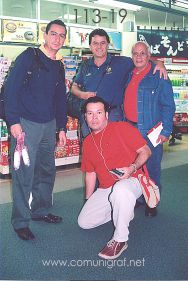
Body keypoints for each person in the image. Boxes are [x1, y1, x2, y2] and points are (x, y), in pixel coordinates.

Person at [4, 19, 67, 240]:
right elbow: (9, 90)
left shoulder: (59, 65)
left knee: (46, 170)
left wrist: (61, 127)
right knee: (24, 174)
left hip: (49, 125)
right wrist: (13, 121)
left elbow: (60, 98)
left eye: (61, 35)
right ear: (45, 35)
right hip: (26, 125)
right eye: (53, 34)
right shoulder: (29, 56)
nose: (57, 39)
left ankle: (40, 211)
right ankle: (20, 221)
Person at [78, 96, 151, 260]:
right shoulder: (88, 142)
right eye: (90, 113)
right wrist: (88, 199)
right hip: (106, 188)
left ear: (107, 115)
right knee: (85, 222)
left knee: (121, 190)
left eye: (99, 112)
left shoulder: (121, 128)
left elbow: (146, 151)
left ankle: (120, 239)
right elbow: (90, 173)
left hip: (133, 179)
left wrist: (132, 168)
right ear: (85, 117)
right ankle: (124, 208)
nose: (94, 117)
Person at [71, 28, 167, 138]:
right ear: (90, 46)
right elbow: (74, 87)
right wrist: (83, 94)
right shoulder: (85, 65)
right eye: (95, 43)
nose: (99, 47)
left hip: (114, 116)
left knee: (115, 151)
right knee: (91, 149)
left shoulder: (121, 62)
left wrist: (159, 63)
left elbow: (141, 59)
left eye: (103, 43)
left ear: (108, 45)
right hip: (90, 116)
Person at [124, 41, 176, 217]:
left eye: (143, 53)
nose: (138, 57)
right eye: (135, 53)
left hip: (151, 131)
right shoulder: (129, 74)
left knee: (152, 167)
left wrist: (166, 130)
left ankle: (151, 201)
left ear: (149, 56)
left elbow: (169, 105)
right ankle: (139, 198)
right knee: (135, 167)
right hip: (129, 129)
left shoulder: (158, 75)